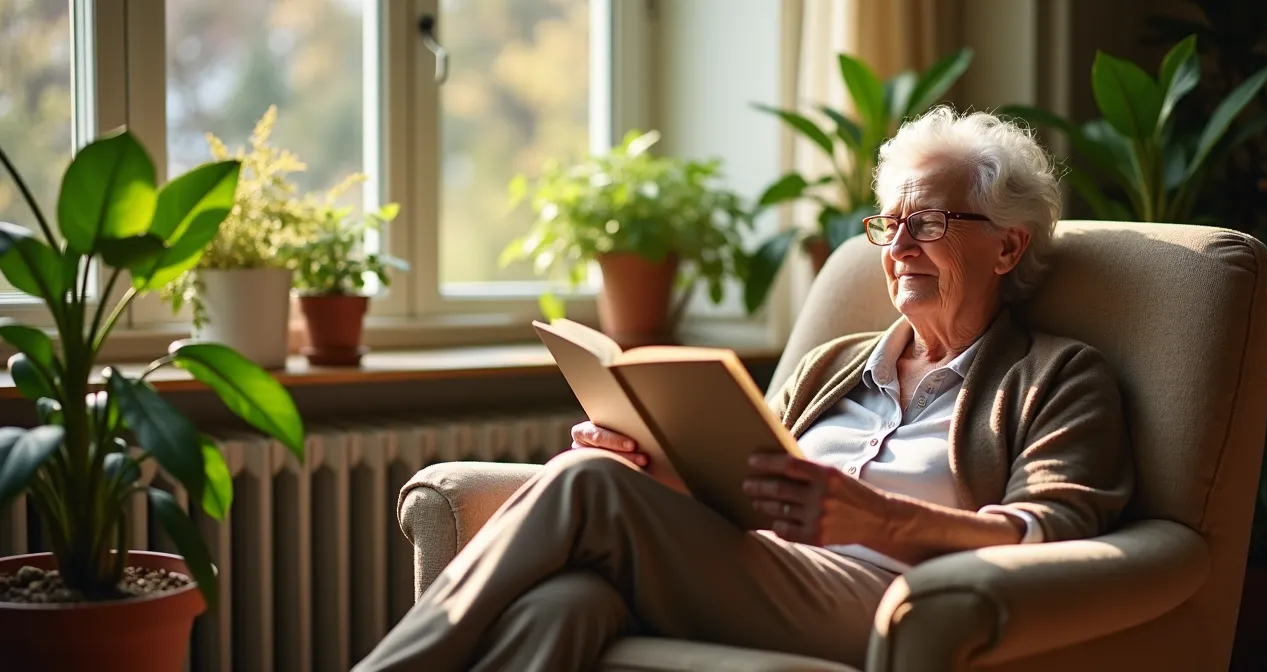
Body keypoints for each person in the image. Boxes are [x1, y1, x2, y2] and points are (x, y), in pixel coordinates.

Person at [355, 106, 1135, 672]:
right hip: (760, 570)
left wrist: (876, 517)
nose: (896, 247)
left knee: (583, 484)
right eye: (887, 224)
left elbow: (1052, 534)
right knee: (566, 604)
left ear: (1007, 246)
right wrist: (653, 466)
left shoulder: (1060, 376)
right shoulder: (832, 364)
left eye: (927, 222)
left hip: (897, 602)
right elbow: (741, 489)